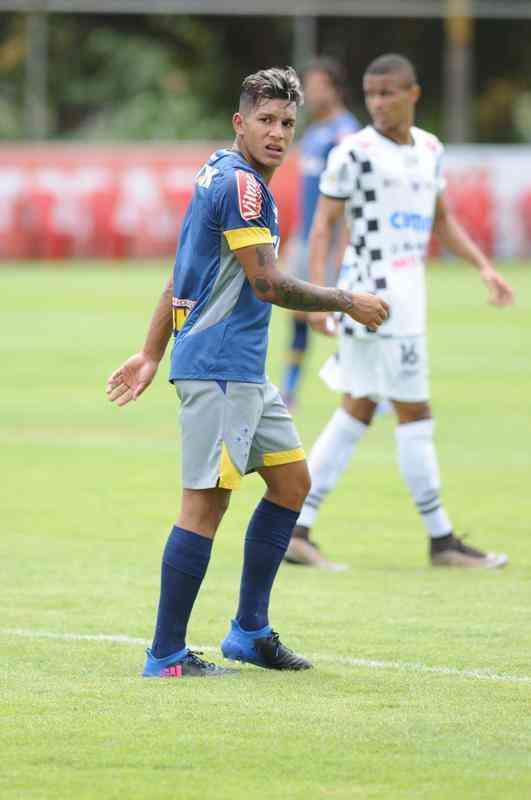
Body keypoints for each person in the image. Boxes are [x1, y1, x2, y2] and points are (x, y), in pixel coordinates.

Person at [106, 66, 389, 678]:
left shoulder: (220, 170)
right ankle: (166, 655)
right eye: (265, 121)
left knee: (292, 483)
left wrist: (152, 351)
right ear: (240, 122)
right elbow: (266, 283)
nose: (278, 133)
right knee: (204, 508)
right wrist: (346, 300)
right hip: (219, 370)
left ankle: (249, 632)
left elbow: (183, 270)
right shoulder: (243, 188)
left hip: (242, 372)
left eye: (287, 123)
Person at [286, 54, 514, 570]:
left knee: (359, 407)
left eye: (389, 93)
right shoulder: (354, 152)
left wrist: (483, 267)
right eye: (371, 94)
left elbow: (442, 220)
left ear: (414, 93)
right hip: (373, 300)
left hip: (410, 300)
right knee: (415, 412)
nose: (379, 103)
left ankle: (296, 528)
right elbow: (322, 224)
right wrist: (319, 297)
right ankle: (442, 541)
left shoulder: (430, 149)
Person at [281, 58, 359, 410]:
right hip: (306, 239)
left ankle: (371, 388)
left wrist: (345, 243)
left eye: (317, 86)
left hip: (333, 241)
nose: (310, 93)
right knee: (297, 312)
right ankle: (290, 388)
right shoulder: (312, 134)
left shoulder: (347, 133)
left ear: (335, 89)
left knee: (346, 314)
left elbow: (353, 195)